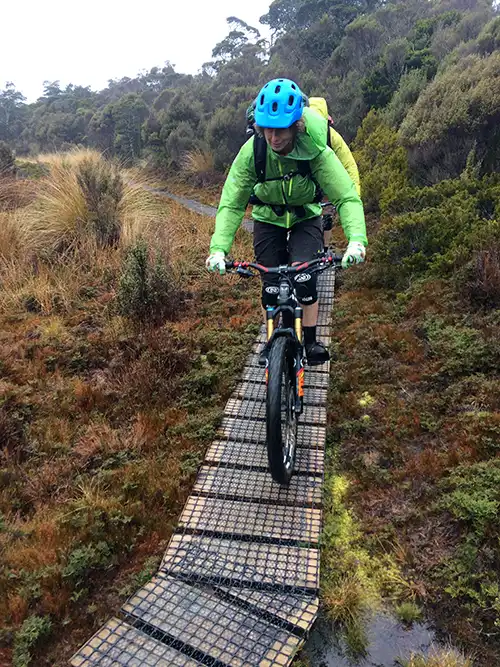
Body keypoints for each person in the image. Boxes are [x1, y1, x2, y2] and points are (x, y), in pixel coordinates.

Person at [206, 78, 367, 366]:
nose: (273, 137)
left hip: (306, 216)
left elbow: (346, 196)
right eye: (267, 129)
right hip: (268, 219)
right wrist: (218, 248)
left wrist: (356, 239)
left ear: (296, 126)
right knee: (269, 288)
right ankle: (273, 340)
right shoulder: (252, 152)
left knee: (305, 279)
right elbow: (231, 202)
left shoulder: (315, 149)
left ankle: (311, 340)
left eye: (280, 130)